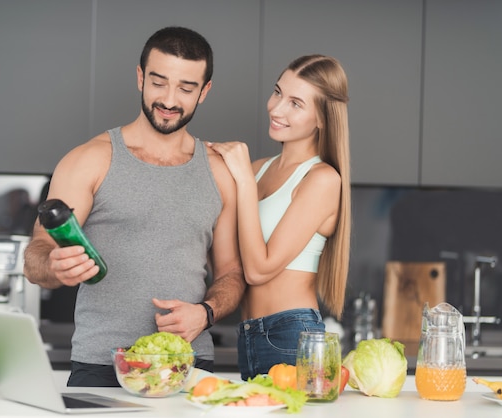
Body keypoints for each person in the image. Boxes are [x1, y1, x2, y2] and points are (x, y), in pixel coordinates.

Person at [23, 26, 245, 387]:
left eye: (186, 88)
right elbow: (37, 253)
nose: (170, 99)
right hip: (101, 366)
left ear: (204, 91)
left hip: (188, 366)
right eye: (158, 82)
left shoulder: (219, 172)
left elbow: (232, 273)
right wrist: (52, 265)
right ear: (140, 77)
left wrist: (205, 313)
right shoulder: (89, 159)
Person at [208, 54, 351, 380]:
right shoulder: (258, 169)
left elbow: (259, 270)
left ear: (322, 119)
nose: (276, 108)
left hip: (292, 335)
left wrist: (242, 179)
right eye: (277, 93)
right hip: (249, 333)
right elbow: (227, 257)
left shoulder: (322, 179)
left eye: (295, 103)